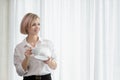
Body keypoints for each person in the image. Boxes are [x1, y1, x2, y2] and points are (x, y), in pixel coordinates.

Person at [14, 13, 57, 80]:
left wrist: (49, 61)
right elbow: (20, 73)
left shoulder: (48, 43)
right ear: (26, 27)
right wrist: (26, 58)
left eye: (38, 24)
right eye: (33, 25)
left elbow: (54, 66)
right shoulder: (19, 47)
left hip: (46, 78)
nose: (37, 27)